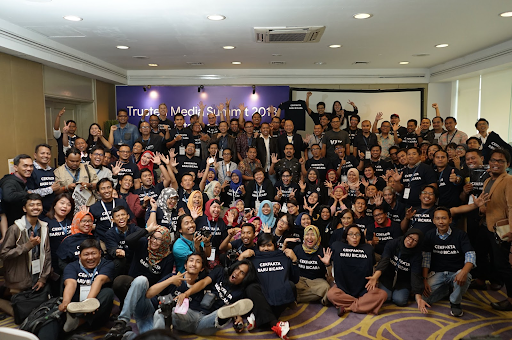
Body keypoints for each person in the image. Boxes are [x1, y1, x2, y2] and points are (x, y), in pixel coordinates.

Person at [239, 233, 299, 339]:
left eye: (269, 245)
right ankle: (275, 323)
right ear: (258, 247)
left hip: (278, 291)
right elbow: (237, 276)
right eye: (262, 246)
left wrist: (294, 261)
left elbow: (295, 280)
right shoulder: (253, 257)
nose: (266, 248)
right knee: (251, 288)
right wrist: (241, 258)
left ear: (275, 246)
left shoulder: (283, 255)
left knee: (291, 286)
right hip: (262, 292)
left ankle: (259, 317)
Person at [173, 259, 255, 336]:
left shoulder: (241, 293)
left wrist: (238, 317)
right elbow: (203, 282)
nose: (237, 273)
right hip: (194, 313)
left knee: (218, 315)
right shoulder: (220, 272)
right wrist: (186, 294)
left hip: (209, 321)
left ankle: (221, 315)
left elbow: (239, 306)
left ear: (245, 278)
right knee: (170, 312)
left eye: (242, 273)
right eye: (237, 268)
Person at [422, 207, 475, 317]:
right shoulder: (430, 235)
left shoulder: (460, 235)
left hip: (456, 273)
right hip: (438, 273)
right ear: (433, 221)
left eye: (444, 218)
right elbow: (426, 258)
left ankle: (455, 302)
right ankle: (448, 290)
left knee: (467, 276)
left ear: (450, 220)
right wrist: (424, 279)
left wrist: (463, 272)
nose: (441, 222)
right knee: (425, 298)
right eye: (437, 218)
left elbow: (470, 255)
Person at [0, 193, 51, 305]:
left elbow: (47, 254)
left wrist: (43, 278)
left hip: (36, 275)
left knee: (33, 309)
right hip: (18, 278)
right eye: (31, 205)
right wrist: (27, 246)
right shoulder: (15, 229)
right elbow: (4, 254)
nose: (35, 207)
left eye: (38, 204)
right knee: (22, 314)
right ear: (24, 208)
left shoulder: (44, 227)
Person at [325, 225, 388, 315]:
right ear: (346, 237)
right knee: (331, 294)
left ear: (361, 236)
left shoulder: (368, 249)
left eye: (357, 234)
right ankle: (364, 304)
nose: (354, 237)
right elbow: (330, 266)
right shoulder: (337, 246)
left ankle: (348, 308)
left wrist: (374, 278)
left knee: (383, 295)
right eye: (351, 234)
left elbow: (374, 264)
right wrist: (327, 263)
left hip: (364, 288)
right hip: (343, 288)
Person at [56, 239, 115, 334]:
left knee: (108, 293)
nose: (90, 258)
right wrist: (65, 302)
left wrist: (88, 304)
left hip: (96, 312)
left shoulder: (107, 264)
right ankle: (73, 320)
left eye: (93, 253)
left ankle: (79, 322)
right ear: (79, 256)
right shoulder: (71, 266)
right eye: (86, 254)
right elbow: (71, 283)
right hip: (74, 309)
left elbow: (99, 280)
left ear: (100, 253)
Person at [112, 223, 175, 312]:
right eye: (153, 237)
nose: (154, 241)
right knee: (119, 282)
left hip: (150, 290)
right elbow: (128, 240)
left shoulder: (168, 257)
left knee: (159, 304)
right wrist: (147, 230)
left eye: (159, 239)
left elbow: (164, 279)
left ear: (165, 242)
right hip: (132, 282)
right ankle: (125, 307)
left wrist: (153, 292)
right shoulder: (143, 243)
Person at [367, 228, 429, 312]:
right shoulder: (393, 243)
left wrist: (418, 298)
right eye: (409, 237)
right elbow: (384, 261)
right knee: (385, 297)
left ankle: (405, 292)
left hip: (403, 282)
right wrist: (375, 277)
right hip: (388, 278)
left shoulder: (417, 255)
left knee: (400, 301)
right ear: (406, 235)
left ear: (418, 243)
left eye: (414, 240)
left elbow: (415, 276)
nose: (410, 241)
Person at [480, 149, 512, 311]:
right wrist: (481, 207)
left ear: (508, 164)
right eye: (493, 160)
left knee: (503, 265)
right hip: (488, 226)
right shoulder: (488, 181)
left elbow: (511, 206)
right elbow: (487, 204)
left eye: (501, 161)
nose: (496, 163)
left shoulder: (509, 180)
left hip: (503, 228)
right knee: (493, 261)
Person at [42, 192, 74, 294]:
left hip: (70, 262)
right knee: (56, 291)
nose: (65, 206)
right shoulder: (45, 222)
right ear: (55, 205)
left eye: (69, 204)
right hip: (53, 263)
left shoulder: (72, 221)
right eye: (62, 203)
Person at [293, 225, 330, 304]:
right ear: (304, 236)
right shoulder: (297, 249)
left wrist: (327, 264)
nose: (309, 237)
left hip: (317, 281)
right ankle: (314, 297)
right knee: (289, 285)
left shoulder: (323, 251)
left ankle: (297, 298)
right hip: (300, 280)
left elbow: (330, 276)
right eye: (307, 234)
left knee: (326, 288)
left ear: (317, 237)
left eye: (313, 234)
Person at [89, 178, 133, 242]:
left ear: (112, 189)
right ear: (98, 192)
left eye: (109, 187)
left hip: (122, 238)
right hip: (103, 239)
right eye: (103, 188)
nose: (106, 191)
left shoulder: (121, 202)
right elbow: (91, 226)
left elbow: (129, 220)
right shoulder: (94, 207)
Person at [105, 206, 140, 277]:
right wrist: (117, 252)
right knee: (119, 261)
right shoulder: (110, 233)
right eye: (117, 216)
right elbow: (112, 249)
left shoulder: (133, 228)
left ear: (128, 216)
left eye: (123, 215)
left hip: (133, 260)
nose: (121, 218)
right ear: (113, 220)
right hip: (119, 263)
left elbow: (143, 233)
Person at [27, 144, 62, 215]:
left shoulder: (53, 171)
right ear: (35, 155)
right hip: (36, 211)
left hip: (51, 211)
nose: (46, 156)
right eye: (42, 153)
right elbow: (29, 192)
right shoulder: (30, 170)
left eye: (48, 154)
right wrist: (50, 189)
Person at [0, 154, 33, 225]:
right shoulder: (9, 181)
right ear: (15, 167)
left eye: (31, 166)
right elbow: (8, 196)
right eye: (25, 166)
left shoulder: (26, 180)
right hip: (12, 224)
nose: (29, 168)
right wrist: (27, 194)